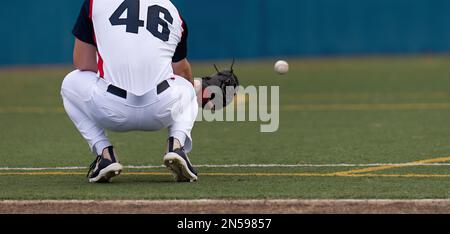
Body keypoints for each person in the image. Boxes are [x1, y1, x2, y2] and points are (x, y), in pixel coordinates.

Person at [60, 0, 198, 183]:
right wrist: (197, 90)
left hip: (110, 108)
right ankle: (176, 145)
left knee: (70, 83)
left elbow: (83, 63)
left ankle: (105, 153)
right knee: (187, 85)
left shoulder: (94, 3)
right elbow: (180, 70)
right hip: (160, 109)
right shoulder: (172, 11)